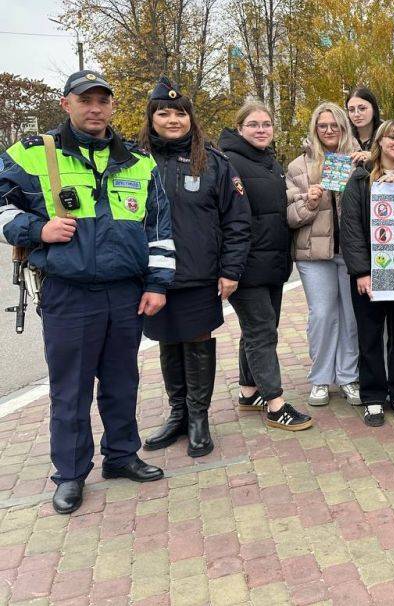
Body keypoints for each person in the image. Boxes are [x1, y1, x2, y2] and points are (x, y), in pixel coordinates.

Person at [0, 69, 173, 514]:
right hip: (68, 293)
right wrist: (36, 228)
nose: (94, 108)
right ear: (67, 104)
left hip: (125, 291)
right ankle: (71, 474)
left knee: (122, 382)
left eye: (102, 100)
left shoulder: (138, 161)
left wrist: (157, 284)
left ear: (113, 106)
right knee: (70, 389)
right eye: (85, 100)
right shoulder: (34, 154)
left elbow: (159, 228)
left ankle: (121, 456)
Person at [139, 78, 251, 458]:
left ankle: (199, 417)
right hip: (153, 276)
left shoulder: (214, 162)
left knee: (197, 341)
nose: (173, 119)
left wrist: (231, 270)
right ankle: (177, 415)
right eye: (164, 113)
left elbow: (236, 221)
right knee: (168, 341)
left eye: (180, 112)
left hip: (200, 273)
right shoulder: (135, 161)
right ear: (151, 118)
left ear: (191, 117)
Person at [220, 98, 312, 431]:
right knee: (262, 333)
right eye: (254, 125)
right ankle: (275, 404)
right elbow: (228, 218)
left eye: (266, 125)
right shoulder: (228, 162)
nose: (261, 130)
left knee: (259, 330)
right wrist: (229, 268)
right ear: (240, 127)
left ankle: (248, 392)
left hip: (272, 263)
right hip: (246, 265)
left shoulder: (269, 163)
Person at [340, 120, 394, 427]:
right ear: (380, 141)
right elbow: (350, 228)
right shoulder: (360, 180)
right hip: (371, 276)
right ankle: (373, 397)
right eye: (392, 137)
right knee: (370, 337)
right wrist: (362, 272)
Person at [286, 102, 361, 408]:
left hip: (351, 253)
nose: (329, 131)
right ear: (314, 129)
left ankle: (348, 376)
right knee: (322, 315)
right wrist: (310, 201)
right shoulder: (297, 166)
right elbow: (291, 216)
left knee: (352, 317)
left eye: (335, 125)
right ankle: (320, 379)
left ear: (344, 128)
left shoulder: (358, 162)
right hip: (314, 254)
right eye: (322, 126)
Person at [346, 86, 382, 164]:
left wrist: (374, 156)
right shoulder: (344, 135)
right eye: (351, 110)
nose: (356, 114)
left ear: (374, 108)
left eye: (362, 108)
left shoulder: (389, 132)